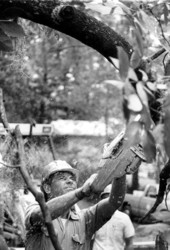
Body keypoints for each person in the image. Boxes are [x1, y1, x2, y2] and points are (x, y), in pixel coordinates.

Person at [25, 160, 126, 250]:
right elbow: (43, 214)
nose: (70, 181)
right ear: (47, 188)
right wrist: (80, 192)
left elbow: (114, 201)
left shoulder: (86, 219)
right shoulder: (34, 209)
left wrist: (121, 171)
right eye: (62, 178)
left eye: (72, 179)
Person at [92, 184, 135, 250]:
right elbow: (89, 240)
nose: (107, 202)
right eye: (105, 199)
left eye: (110, 199)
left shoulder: (124, 218)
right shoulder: (95, 217)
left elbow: (129, 243)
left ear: (116, 200)